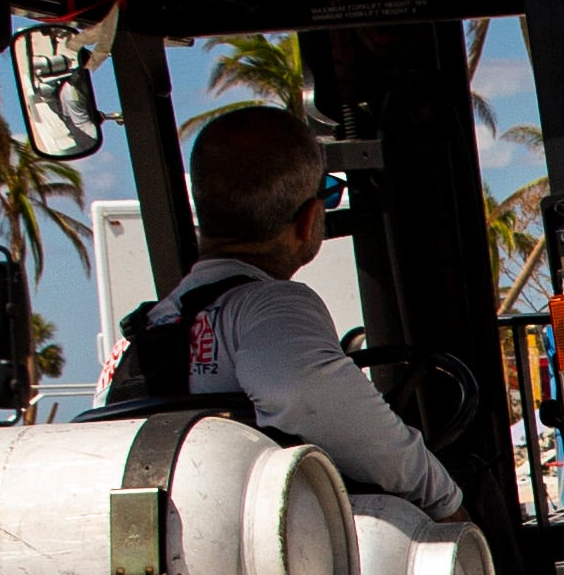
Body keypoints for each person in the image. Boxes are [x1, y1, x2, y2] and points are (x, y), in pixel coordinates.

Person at [116, 105, 474, 532]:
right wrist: (447, 503)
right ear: (308, 220)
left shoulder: (146, 331)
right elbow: (311, 396)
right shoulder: (269, 306)